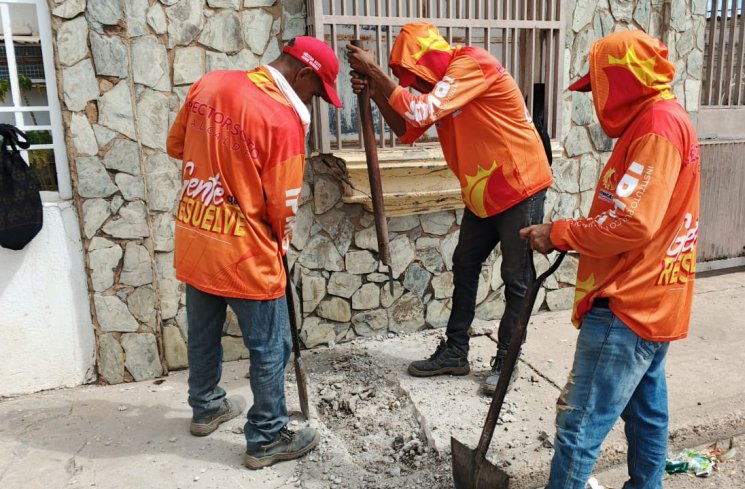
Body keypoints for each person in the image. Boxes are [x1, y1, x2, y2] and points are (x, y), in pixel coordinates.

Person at [521, 30, 701, 488]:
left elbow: (633, 223)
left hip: (629, 300)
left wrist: (559, 232)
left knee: (578, 428)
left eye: (597, 88)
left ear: (619, 82)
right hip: (653, 297)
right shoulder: (660, 120)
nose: (595, 102)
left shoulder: (658, 128)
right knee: (646, 416)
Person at [346, 23, 553, 393]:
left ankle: (506, 361)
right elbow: (407, 130)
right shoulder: (442, 88)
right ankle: (456, 352)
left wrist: (376, 72)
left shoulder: (472, 64)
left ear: (426, 60)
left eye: (415, 77)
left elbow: (422, 111)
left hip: (520, 186)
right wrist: (376, 93)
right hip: (484, 192)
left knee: (516, 278)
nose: (415, 87)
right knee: (465, 264)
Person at [166, 36, 342, 470]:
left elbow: (177, 147)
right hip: (246, 253)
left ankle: (206, 406)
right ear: (302, 74)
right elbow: (280, 206)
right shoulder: (282, 121)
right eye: (316, 90)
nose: (314, 99)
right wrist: (280, 240)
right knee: (271, 345)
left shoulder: (209, 84)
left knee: (203, 331)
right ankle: (266, 436)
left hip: (197, 235)